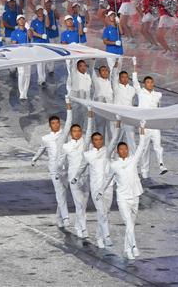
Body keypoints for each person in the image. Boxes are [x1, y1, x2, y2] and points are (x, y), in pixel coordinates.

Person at [104, 121, 149, 259]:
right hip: (122, 198)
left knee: (131, 225)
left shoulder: (133, 160)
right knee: (128, 223)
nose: (123, 151)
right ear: (117, 151)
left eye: (125, 149)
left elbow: (141, 147)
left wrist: (142, 129)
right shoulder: (114, 165)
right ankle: (134, 247)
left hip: (135, 195)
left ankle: (126, 249)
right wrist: (101, 191)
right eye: (121, 149)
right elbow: (108, 179)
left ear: (127, 150)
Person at [31, 98, 73, 228]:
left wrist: (68, 106)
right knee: (59, 193)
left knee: (63, 193)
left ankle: (59, 219)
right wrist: (34, 159)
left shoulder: (64, 135)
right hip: (54, 169)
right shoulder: (46, 138)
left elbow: (70, 121)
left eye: (57, 123)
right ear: (50, 125)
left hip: (65, 168)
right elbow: (41, 150)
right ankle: (65, 217)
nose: (56, 125)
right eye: (53, 123)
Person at [72, 124, 114, 249]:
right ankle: (105, 237)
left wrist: (117, 124)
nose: (98, 141)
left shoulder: (108, 151)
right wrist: (75, 177)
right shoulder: (88, 155)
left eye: (100, 139)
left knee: (106, 213)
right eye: (96, 140)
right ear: (92, 142)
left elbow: (115, 139)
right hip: (96, 188)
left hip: (108, 187)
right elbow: (81, 167)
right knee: (101, 212)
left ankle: (99, 236)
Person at [64, 109, 95, 239]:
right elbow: (63, 163)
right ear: (71, 134)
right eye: (74, 131)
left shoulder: (85, 144)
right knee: (79, 204)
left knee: (84, 203)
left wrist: (89, 116)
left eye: (79, 131)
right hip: (73, 178)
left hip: (85, 177)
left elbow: (89, 132)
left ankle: (78, 225)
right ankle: (83, 228)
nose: (77, 133)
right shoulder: (66, 146)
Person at [137, 76, 167, 177]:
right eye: (147, 82)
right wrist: (134, 65)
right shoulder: (140, 92)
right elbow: (135, 81)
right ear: (144, 84)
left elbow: (159, 108)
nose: (149, 84)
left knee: (158, 146)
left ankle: (161, 165)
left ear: (153, 83)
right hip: (144, 125)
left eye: (151, 82)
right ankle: (144, 171)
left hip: (154, 124)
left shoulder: (158, 95)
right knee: (144, 149)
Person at [111, 68, 137, 148]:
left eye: (126, 77)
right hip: (117, 116)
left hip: (128, 117)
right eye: (122, 77)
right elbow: (113, 75)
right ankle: (113, 156)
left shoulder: (132, 89)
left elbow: (133, 102)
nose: (125, 79)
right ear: (119, 78)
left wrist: (134, 66)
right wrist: (116, 64)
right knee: (116, 138)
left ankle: (133, 157)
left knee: (131, 138)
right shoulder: (116, 87)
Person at [9, 15, 31, 99]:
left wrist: (28, 29)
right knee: (21, 73)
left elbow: (30, 37)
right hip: (20, 54)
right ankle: (21, 92)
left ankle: (25, 92)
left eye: (23, 19)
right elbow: (14, 44)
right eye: (19, 19)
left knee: (27, 74)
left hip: (28, 54)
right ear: (17, 21)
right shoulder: (14, 32)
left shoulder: (27, 30)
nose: (21, 21)